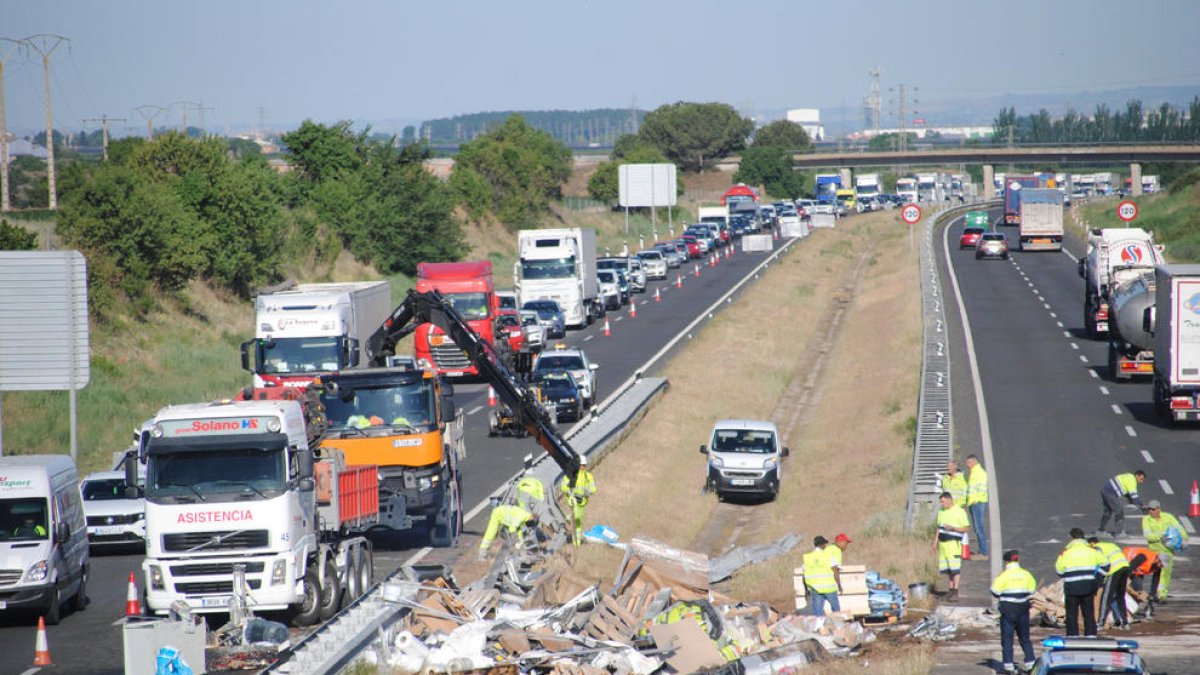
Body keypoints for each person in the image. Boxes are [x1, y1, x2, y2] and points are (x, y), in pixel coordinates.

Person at [990, 550, 1037, 673]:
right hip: (1023, 610)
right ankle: (1031, 664)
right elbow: (1032, 589)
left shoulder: (1004, 576)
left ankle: (1008, 666)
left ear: (1006, 561)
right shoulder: (1026, 574)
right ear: (1017, 560)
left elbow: (995, 592)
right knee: (1025, 638)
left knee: (1007, 639)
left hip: (1008, 611)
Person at [1056, 527, 1104, 636]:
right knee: (1089, 613)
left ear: (1072, 538)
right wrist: (1097, 578)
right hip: (1088, 586)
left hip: (1071, 587)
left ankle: (1073, 636)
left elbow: (1059, 571)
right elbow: (1105, 565)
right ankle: (1091, 635)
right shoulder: (1092, 550)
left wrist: (1069, 575)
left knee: (1072, 614)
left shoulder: (1066, 552)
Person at [1141, 499, 1188, 601]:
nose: (1151, 511)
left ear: (1158, 509)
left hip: (1167, 550)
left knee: (1165, 573)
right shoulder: (1146, 520)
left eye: (1153, 509)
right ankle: (1155, 593)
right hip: (1154, 551)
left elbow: (1179, 529)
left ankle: (1161, 594)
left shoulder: (1168, 517)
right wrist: (1161, 535)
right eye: (1149, 509)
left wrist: (1184, 539)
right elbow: (1148, 536)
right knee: (1157, 572)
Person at [933, 492, 970, 602]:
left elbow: (967, 528)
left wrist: (954, 528)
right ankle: (950, 590)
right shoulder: (941, 512)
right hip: (943, 546)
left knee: (955, 569)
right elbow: (938, 528)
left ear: (949, 500)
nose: (942, 504)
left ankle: (955, 591)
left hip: (954, 544)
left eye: (943, 502)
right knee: (948, 570)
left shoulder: (960, 512)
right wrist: (934, 543)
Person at [1090, 536, 1132, 630]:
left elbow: (1100, 565)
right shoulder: (1110, 545)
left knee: (1106, 597)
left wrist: (1098, 580)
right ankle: (1125, 623)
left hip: (1114, 570)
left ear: (1092, 543)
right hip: (1125, 567)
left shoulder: (1097, 548)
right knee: (1120, 597)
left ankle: (1100, 624)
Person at [559, 455, 596, 546]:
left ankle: (577, 541)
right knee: (576, 517)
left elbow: (593, 489)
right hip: (573, 500)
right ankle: (568, 518)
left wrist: (588, 492)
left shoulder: (588, 476)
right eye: (582, 465)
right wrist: (569, 492)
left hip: (582, 502)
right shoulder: (570, 476)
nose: (583, 467)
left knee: (579, 522)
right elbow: (563, 486)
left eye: (584, 465)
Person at [1097, 470, 1146, 537]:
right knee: (1119, 511)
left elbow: (1127, 493)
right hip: (1110, 493)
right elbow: (1134, 496)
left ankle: (1100, 531)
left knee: (1107, 512)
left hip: (1104, 490)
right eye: (1141, 479)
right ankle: (1119, 533)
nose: (1141, 482)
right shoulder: (1132, 480)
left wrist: (1135, 502)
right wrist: (1142, 506)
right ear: (1137, 475)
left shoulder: (1128, 476)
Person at [802, 536, 841, 616]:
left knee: (818, 613)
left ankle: (820, 627)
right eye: (825, 544)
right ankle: (838, 626)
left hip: (815, 589)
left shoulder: (808, 557)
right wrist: (839, 585)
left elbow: (804, 575)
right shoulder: (828, 556)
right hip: (829, 588)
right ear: (822, 545)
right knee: (836, 610)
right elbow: (835, 571)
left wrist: (806, 590)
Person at [1123, 546, 1164, 615]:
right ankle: (1125, 610)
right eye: (1161, 564)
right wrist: (1125, 581)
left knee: (1138, 591)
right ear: (1157, 559)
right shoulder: (1144, 557)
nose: (1161, 566)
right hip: (1125, 563)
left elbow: (1155, 581)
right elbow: (1130, 567)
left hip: (1136, 571)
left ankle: (1131, 610)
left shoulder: (1158, 566)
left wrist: (1152, 596)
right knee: (1127, 590)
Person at [964, 454, 990, 559]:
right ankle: (982, 550)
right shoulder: (974, 472)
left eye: (969, 463)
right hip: (974, 503)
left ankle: (983, 552)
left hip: (978, 503)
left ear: (974, 462)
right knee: (977, 528)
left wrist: (974, 501)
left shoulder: (979, 473)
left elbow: (980, 490)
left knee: (979, 528)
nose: (967, 465)